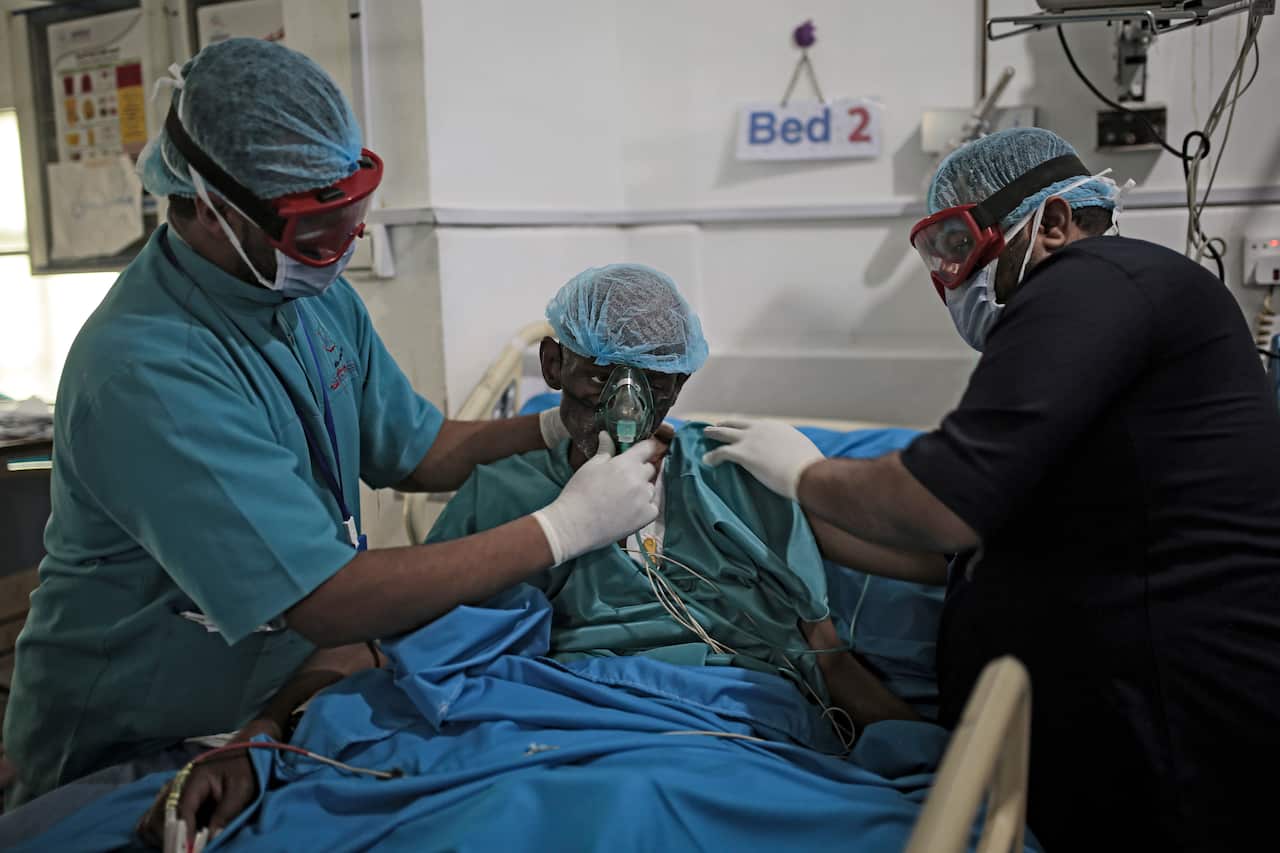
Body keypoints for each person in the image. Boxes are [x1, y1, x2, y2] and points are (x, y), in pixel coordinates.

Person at [0, 38, 661, 838]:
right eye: (318, 230)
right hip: (138, 729)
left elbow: (418, 451)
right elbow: (328, 599)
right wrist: (566, 528)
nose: (342, 248)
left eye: (353, 215)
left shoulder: (311, 299)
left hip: (280, 705)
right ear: (212, 207)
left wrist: (555, 425)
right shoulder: (146, 371)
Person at [701, 127, 1280, 851]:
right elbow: (978, 539)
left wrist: (805, 471)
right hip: (1105, 709)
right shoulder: (1115, 311)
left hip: (1169, 713)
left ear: (1057, 222)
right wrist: (785, 514)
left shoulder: (1092, 280)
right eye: (934, 253)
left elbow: (943, 501)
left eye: (956, 243)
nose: (949, 276)